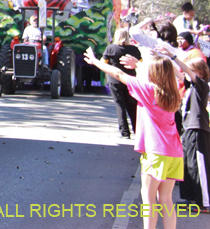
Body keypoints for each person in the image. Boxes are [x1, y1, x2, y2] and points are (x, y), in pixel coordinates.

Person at [84, 48, 183, 229]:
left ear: (153, 74)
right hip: (174, 152)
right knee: (166, 199)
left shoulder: (147, 91)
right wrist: (138, 65)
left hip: (156, 152)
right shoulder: (173, 92)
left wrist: (96, 61)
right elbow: (157, 70)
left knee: (148, 198)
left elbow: (118, 73)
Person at [171, 56, 210, 214]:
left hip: (198, 128)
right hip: (187, 128)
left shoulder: (201, 85)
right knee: (187, 164)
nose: (186, 73)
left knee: (198, 165)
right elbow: (178, 71)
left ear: (199, 73)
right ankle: (190, 198)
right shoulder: (190, 85)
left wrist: (174, 56)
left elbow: (185, 70)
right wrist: (164, 57)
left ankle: (204, 202)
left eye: (191, 70)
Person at [102, 28, 142, 138]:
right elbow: (141, 63)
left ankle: (125, 132)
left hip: (115, 79)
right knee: (132, 106)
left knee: (120, 105)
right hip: (130, 80)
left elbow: (103, 63)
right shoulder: (134, 50)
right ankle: (137, 131)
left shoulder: (111, 49)